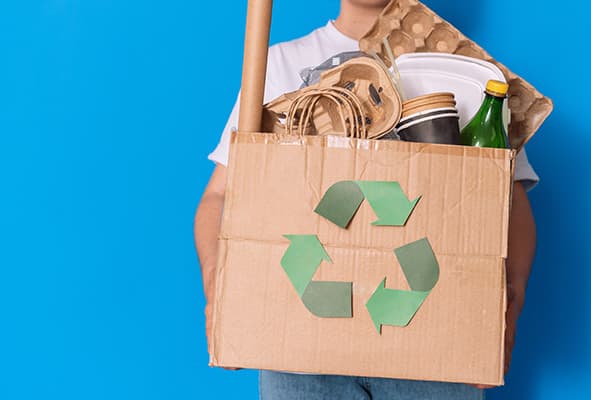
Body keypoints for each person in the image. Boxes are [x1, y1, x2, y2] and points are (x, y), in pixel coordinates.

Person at [194, 1, 537, 398]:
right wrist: (220, 287)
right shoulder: (274, 66)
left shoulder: (469, 73)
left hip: (436, 348)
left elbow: (508, 201)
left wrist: (509, 297)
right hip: (301, 351)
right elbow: (219, 196)